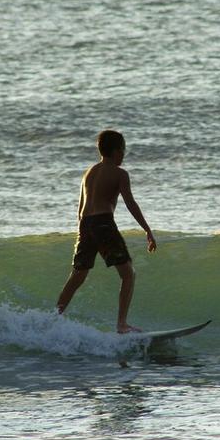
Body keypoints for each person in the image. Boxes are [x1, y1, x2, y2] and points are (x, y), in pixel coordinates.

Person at [56, 130, 157, 333]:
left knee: (77, 275)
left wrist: (84, 232)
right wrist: (147, 230)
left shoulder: (88, 173)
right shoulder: (120, 174)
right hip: (103, 223)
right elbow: (130, 203)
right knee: (128, 274)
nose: (124, 155)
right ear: (116, 151)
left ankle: (54, 317)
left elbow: (80, 208)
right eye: (123, 150)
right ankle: (122, 324)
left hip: (85, 224)